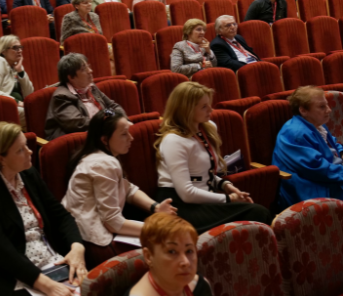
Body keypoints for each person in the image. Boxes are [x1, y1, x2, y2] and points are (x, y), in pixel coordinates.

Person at [0, 122, 87, 295]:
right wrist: (44, 284)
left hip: (53, 260)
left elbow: (60, 215)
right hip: (15, 273)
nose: (30, 152)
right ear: (1, 158)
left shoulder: (29, 174)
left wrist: (77, 248)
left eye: (27, 146)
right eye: (20, 150)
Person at [63, 110, 177, 268]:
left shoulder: (101, 156)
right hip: (95, 242)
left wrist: (155, 207)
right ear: (104, 140)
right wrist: (156, 229)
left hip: (96, 232)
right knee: (170, 244)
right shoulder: (103, 163)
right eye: (124, 134)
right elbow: (112, 222)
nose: (131, 138)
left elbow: (128, 189)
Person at [154, 82, 273, 232]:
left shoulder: (206, 128)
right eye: (204, 106)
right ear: (186, 110)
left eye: (209, 104)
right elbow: (186, 193)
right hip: (178, 205)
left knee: (256, 213)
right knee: (257, 213)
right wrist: (229, 199)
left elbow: (201, 174)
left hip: (201, 198)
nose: (211, 109)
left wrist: (225, 186)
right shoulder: (174, 140)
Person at [272, 86, 343, 210]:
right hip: (309, 187)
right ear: (303, 110)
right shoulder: (295, 133)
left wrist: (342, 152)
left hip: (328, 175)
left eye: (327, 105)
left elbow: (332, 146)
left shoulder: (318, 125)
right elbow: (317, 168)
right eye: (322, 107)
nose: (329, 110)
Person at [123, 213, 213, 296]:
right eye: (172, 252)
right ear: (148, 256)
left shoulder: (200, 286)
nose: (186, 262)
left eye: (189, 251)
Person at [45, 53, 124, 140]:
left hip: (100, 133)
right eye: (83, 69)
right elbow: (79, 123)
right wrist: (108, 120)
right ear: (71, 77)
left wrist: (119, 119)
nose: (90, 71)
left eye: (88, 66)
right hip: (76, 141)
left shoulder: (91, 87)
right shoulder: (61, 96)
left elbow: (113, 106)